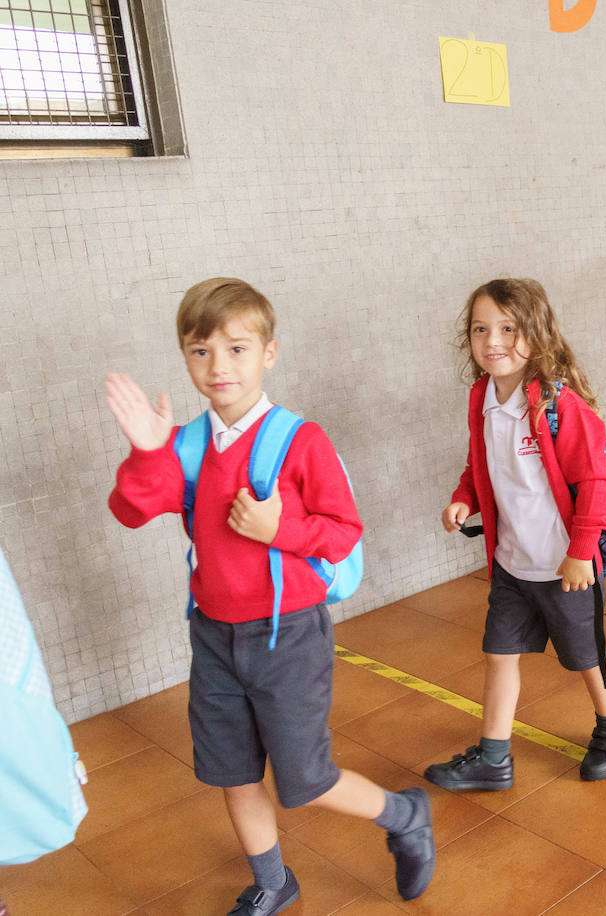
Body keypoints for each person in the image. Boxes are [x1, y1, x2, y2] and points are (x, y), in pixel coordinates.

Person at [105, 278, 435, 914]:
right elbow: (129, 509)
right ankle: (273, 882)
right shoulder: (186, 445)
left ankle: (403, 814)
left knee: (306, 781)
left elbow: (343, 535)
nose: (219, 366)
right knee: (232, 774)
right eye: (201, 352)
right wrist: (148, 450)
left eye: (236, 349)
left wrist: (275, 528)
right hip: (214, 635)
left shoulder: (299, 440)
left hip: (289, 636)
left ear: (269, 353)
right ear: (184, 357)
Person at [425, 278, 606, 791]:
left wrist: (582, 553)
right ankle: (494, 756)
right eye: (480, 329)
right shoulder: (483, 400)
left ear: (536, 336)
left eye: (508, 328)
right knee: (499, 654)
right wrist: (464, 499)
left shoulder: (557, 406)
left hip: (565, 566)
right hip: (512, 562)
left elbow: (595, 483)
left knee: (587, 655)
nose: (492, 341)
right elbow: (481, 467)